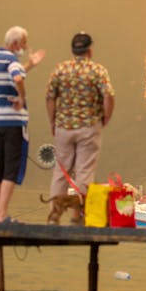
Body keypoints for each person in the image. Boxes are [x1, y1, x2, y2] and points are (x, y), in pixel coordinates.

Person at [45, 32, 115, 225]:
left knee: (61, 172)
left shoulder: (60, 70)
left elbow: (50, 98)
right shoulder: (97, 70)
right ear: (89, 50)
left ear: (72, 50)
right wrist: (106, 117)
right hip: (89, 127)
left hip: (63, 127)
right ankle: (79, 216)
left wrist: (52, 121)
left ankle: (54, 216)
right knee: (84, 171)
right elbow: (108, 96)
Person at [0, 26, 46, 222]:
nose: (25, 47)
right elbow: (17, 78)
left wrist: (30, 64)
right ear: (15, 43)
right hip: (12, 122)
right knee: (10, 169)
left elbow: (13, 75)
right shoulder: (12, 60)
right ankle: (1, 214)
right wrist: (22, 97)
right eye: (24, 43)